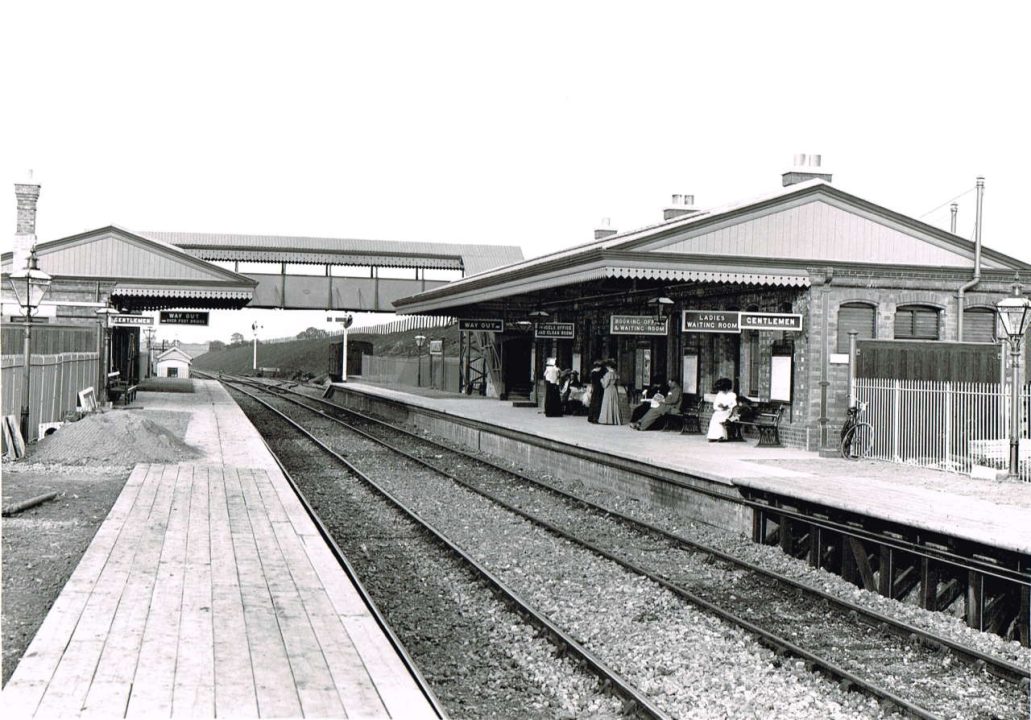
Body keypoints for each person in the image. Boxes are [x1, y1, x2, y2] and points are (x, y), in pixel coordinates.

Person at [598, 359, 623, 425]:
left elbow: (605, 385)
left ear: (608, 366)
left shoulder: (608, 374)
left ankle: (607, 420)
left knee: (607, 404)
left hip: (608, 390)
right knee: (614, 404)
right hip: (614, 389)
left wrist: (601, 380)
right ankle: (614, 419)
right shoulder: (615, 373)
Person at [587, 359, 605, 423]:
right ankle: (596, 417)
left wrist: (592, 388)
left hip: (595, 388)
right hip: (601, 388)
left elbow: (592, 381)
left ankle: (591, 417)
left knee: (593, 402)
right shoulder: (603, 371)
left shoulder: (593, 372)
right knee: (599, 402)